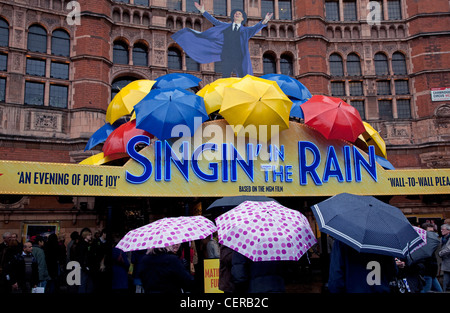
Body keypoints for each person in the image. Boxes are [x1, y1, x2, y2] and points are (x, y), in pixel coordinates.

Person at [172, 1, 273, 78]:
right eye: (235, 14)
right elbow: (214, 21)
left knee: (244, 79)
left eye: (239, 14)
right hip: (227, 55)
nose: (236, 14)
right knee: (225, 77)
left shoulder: (246, 31)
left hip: (240, 57)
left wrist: (265, 20)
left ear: (242, 19)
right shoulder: (226, 26)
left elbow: (256, 27)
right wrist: (203, 11)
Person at [327, 240, 397, 293]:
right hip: (380, 289)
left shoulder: (342, 240)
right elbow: (392, 271)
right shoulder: (384, 240)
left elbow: (335, 280)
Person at [439, 223, 450, 291]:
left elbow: (448, 249)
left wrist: (440, 253)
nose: (441, 231)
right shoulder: (442, 239)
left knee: (446, 282)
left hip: (449, 263)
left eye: (443, 229)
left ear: (448, 230)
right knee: (445, 282)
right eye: (441, 229)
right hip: (446, 264)